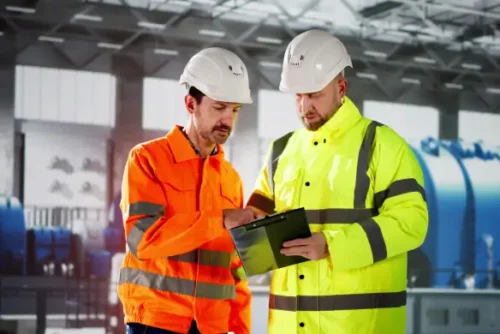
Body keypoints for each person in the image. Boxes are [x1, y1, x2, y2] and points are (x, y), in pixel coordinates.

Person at [247, 29, 429, 333]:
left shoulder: (381, 144)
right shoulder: (280, 151)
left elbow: (411, 222)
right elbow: (256, 231)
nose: (305, 107)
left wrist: (333, 246)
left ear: (341, 88)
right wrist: (245, 232)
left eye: (314, 94)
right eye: (298, 96)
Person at [118, 47, 260, 334]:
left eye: (234, 110)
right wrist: (219, 219)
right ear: (190, 104)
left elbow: (234, 267)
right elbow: (142, 240)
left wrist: (241, 327)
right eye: (219, 107)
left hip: (214, 326)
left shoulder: (231, 179)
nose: (228, 120)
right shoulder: (148, 159)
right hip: (157, 321)